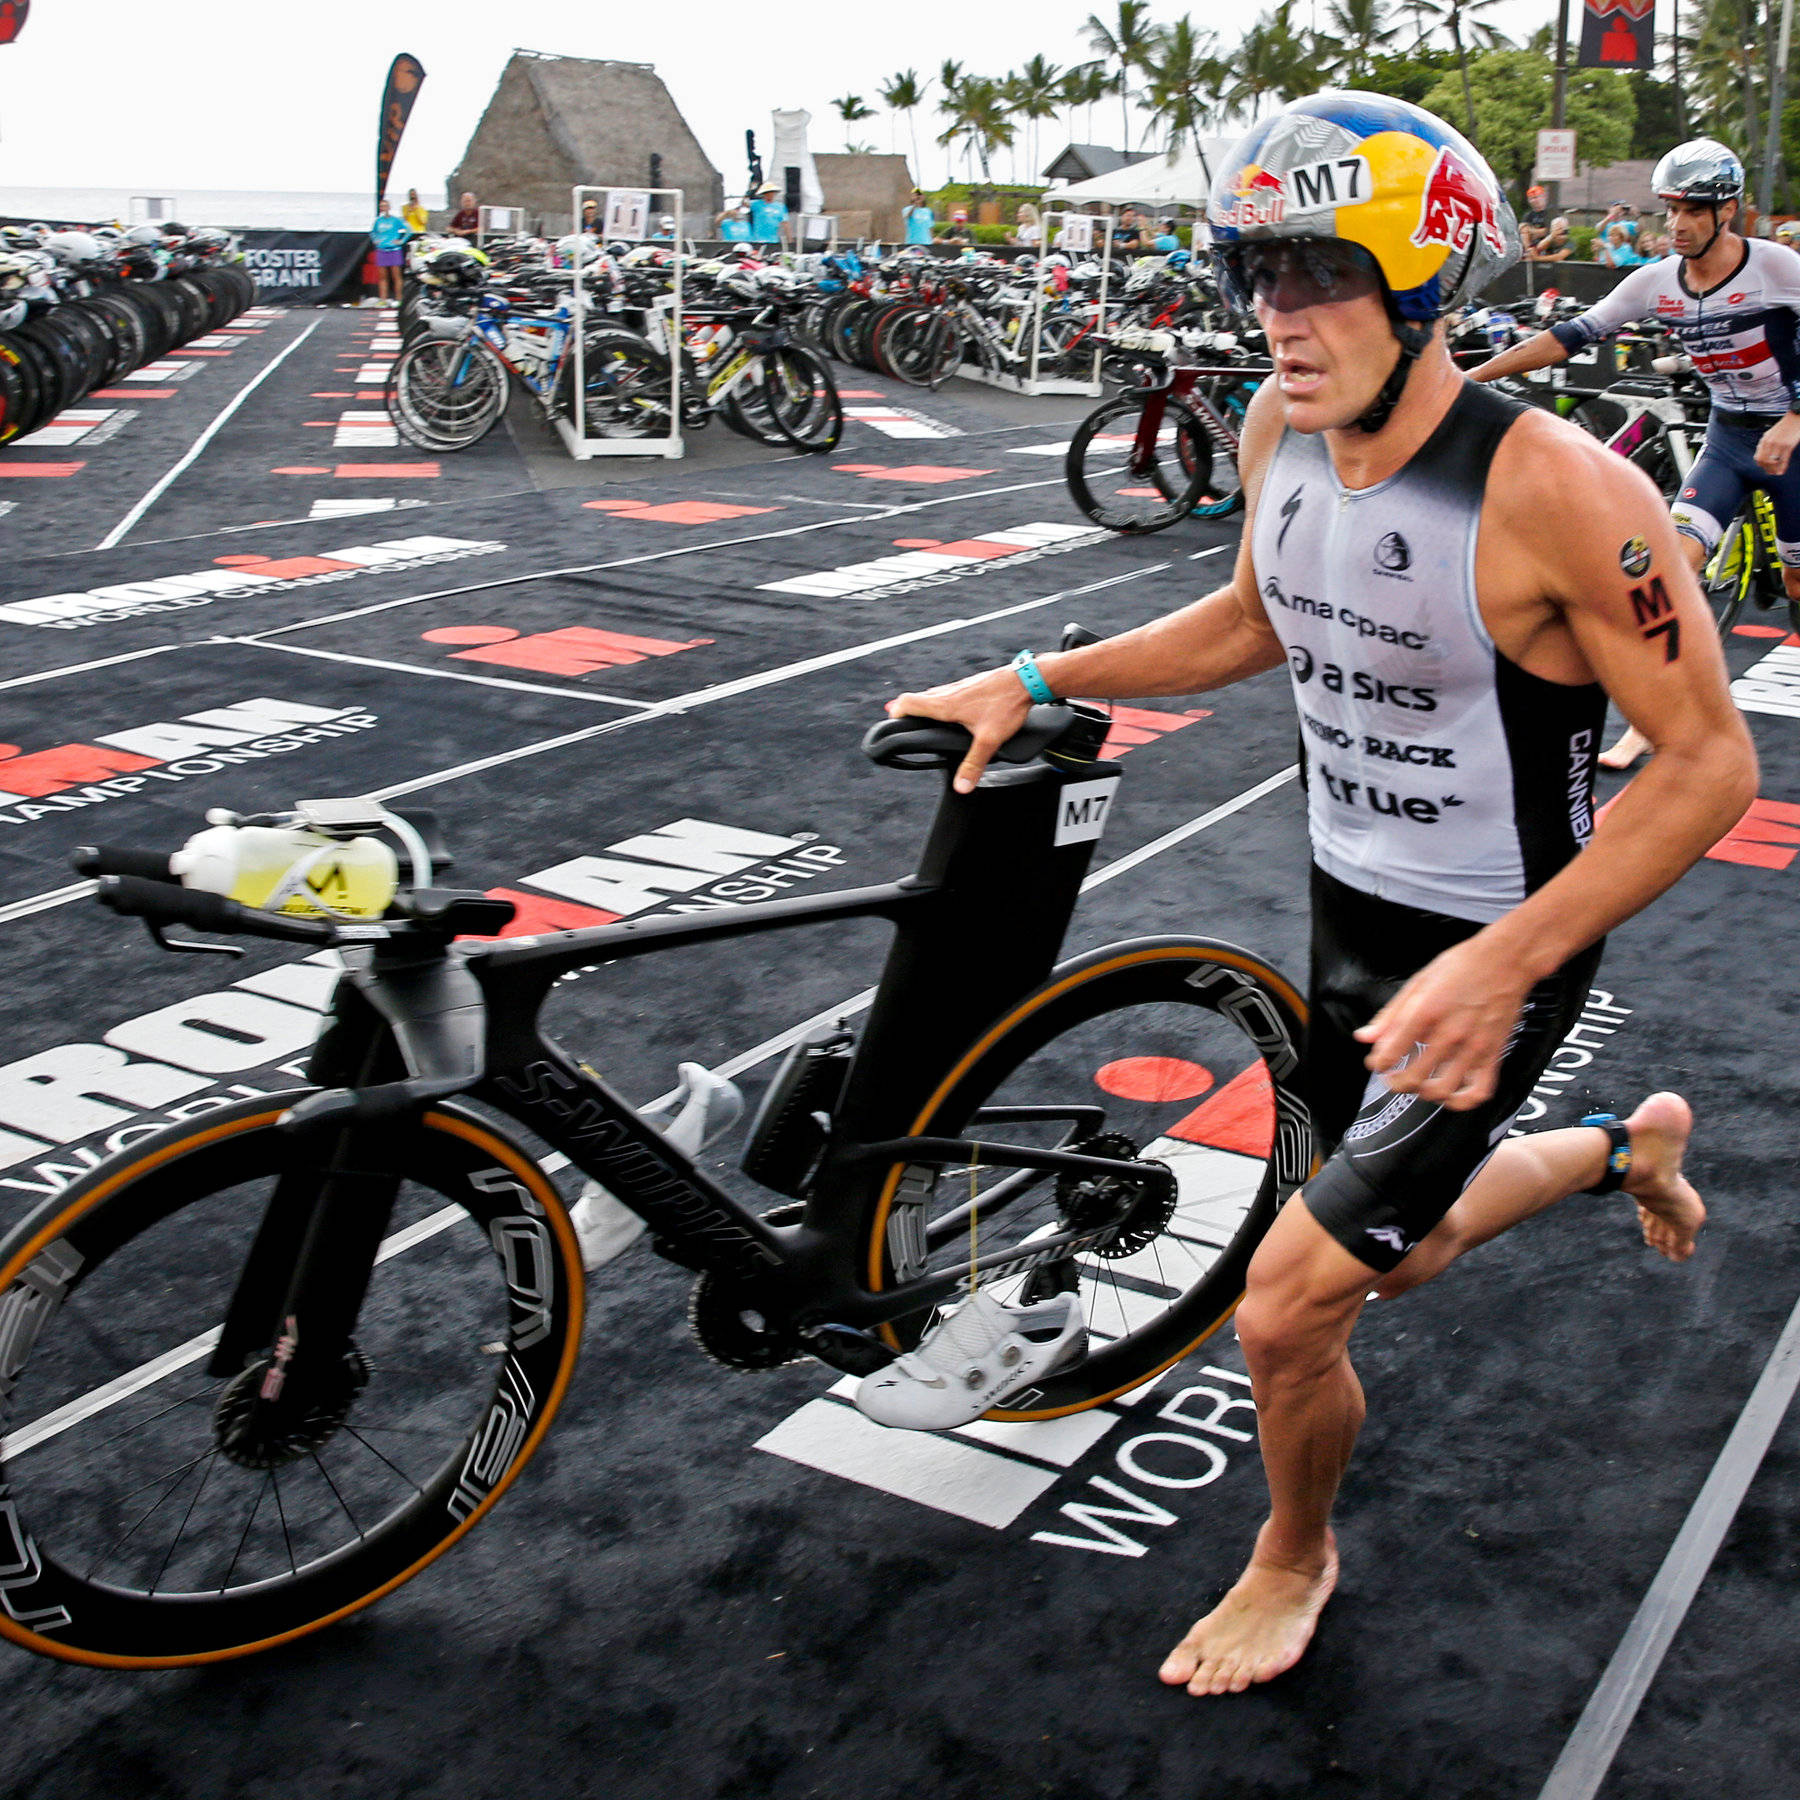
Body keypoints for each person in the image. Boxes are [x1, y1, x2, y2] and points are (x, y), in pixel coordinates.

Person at [878, 91, 1753, 1696]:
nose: (1281, 314)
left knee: (1285, 1311)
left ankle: (1294, 1552)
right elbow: (1254, 621)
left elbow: (1706, 766)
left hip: (1501, 941)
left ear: (1428, 285)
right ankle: (1626, 1148)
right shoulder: (1282, 431)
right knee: (1397, 1256)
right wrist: (1030, 671)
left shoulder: (1561, 492)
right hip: (1346, 910)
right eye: (1255, 274)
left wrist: (1508, 964)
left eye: (1321, 273)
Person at [1473, 137, 1800, 768]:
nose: (1675, 224)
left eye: (1692, 211)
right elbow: (1568, 336)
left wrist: (1794, 417)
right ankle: (1653, 720)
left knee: (1795, 583)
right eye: (1669, 209)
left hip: (1791, 442)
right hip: (1730, 438)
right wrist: (1468, 380)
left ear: (1725, 211)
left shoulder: (1775, 267)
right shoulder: (1655, 281)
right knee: (1668, 571)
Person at [368, 197, 409, 306]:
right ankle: (383, 299)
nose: (383, 208)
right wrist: (375, 240)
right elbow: (372, 232)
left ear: (389, 207)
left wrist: (401, 241)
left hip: (394, 250)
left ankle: (399, 299)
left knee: (396, 276)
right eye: (381, 206)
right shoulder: (378, 221)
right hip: (382, 250)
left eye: (385, 206)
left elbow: (408, 230)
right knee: (382, 276)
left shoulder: (395, 220)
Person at [749, 180, 789, 246]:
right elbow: (744, 203)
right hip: (758, 240)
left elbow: (785, 223)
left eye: (771, 192)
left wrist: (789, 239)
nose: (769, 194)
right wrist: (751, 190)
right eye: (767, 192)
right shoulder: (756, 204)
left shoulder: (780, 206)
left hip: (773, 240)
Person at [1519, 183, 1550, 251]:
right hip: (1532, 245)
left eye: (1536, 197)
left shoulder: (1550, 213)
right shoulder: (1528, 215)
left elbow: (1551, 231)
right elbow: (1522, 229)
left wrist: (1533, 232)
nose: (1534, 201)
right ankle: (1528, 251)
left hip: (1548, 244)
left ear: (1543, 197)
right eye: (1531, 198)